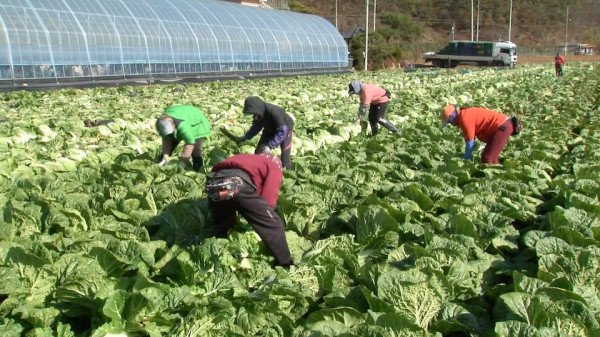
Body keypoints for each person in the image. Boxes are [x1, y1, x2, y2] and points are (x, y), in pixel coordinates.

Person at [206, 152, 293, 267]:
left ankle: (213, 257)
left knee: (221, 223)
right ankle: (285, 263)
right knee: (273, 224)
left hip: (213, 184)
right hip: (234, 183)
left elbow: (216, 169)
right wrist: (266, 214)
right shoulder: (273, 166)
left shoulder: (246, 158)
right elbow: (269, 199)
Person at [441, 104, 517, 164]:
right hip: (504, 125)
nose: (451, 123)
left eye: (449, 121)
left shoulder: (464, 118)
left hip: (502, 127)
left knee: (488, 157)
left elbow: (470, 142)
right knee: (492, 158)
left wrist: (466, 159)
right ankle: (499, 176)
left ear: (452, 116)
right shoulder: (464, 113)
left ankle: (494, 180)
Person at [236, 96, 294, 170]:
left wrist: (270, 145)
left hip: (285, 128)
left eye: (255, 114)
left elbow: (283, 130)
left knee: (285, 155)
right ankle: (256, 170)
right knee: (259, 151)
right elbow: (256, 127)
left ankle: (286, 173)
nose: (255, 117)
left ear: (259, 110)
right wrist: (246, 137)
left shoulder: (272, 111)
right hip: (269, 128)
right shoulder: (258, 114)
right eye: (253, 114)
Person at [155, 105, 211, 171]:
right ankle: (161, 164)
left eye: (171, 131)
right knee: (169, 146)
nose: (170, 134)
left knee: (195, 151)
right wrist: (165, 154)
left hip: (196, 123)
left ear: (174, 125)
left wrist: (183, 162)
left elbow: (190, 142)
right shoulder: (160, 124)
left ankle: (198, 169)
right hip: (182, 114)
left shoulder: (182, 125)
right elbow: (166, 138)